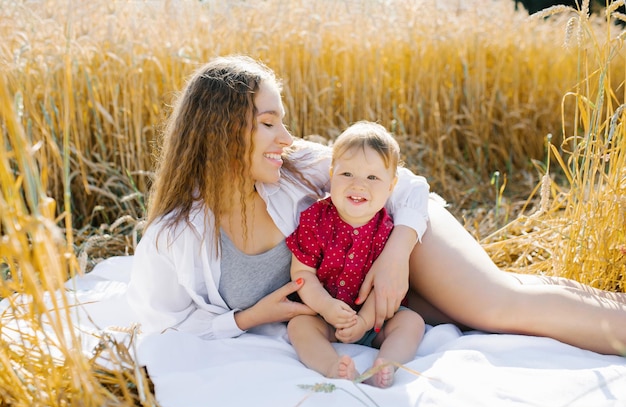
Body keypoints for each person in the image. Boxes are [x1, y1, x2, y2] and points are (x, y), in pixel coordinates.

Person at [126, 54, 626, 356]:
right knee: (490, 310)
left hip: (399, 235)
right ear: (222, 128)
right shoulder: (175, 237)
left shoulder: (298, 168)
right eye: (269, 123)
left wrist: (394, 258)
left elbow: (407, 186)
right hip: (357, 293)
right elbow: (163, 323)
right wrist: (251, 317)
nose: (286, 136)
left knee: (497, 304)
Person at [285, 121, 425, 388]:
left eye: (372, 177)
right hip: (323, 316)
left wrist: (363, 322)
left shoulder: (388, 228)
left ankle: (386, 364)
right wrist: (325, 307)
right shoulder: (314, 219)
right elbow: (302, 273)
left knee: (411, 323)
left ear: (391, 186)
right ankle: (331, 367)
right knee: (299, 326)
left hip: (374, 320)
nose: (359, 185)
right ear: (331, 175)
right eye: (347, 174)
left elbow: (382, 288)